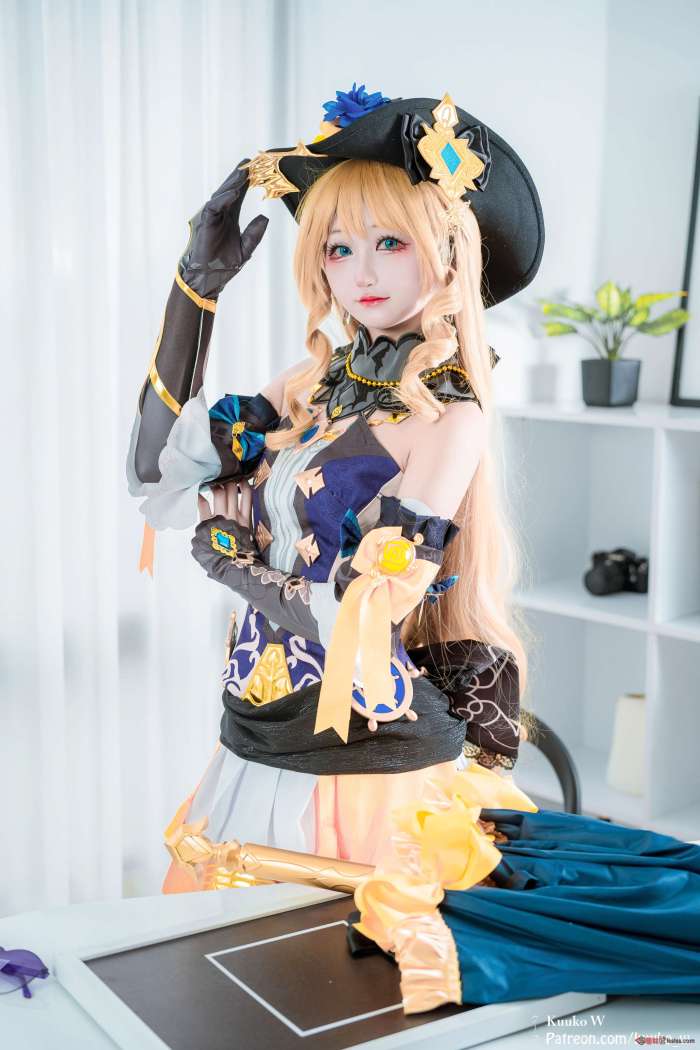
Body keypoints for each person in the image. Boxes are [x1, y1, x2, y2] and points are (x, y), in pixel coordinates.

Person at [126, 86, 545, 891]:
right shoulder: (308, 385)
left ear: (448, 251)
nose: (363, 273)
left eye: (390, 241)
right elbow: (155, 474)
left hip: (365, 759)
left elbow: (364, 608)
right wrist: (194, 291)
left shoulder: (451, 416)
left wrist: (231, 564)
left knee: (335, 960)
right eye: (338, 248)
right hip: (253, 732)